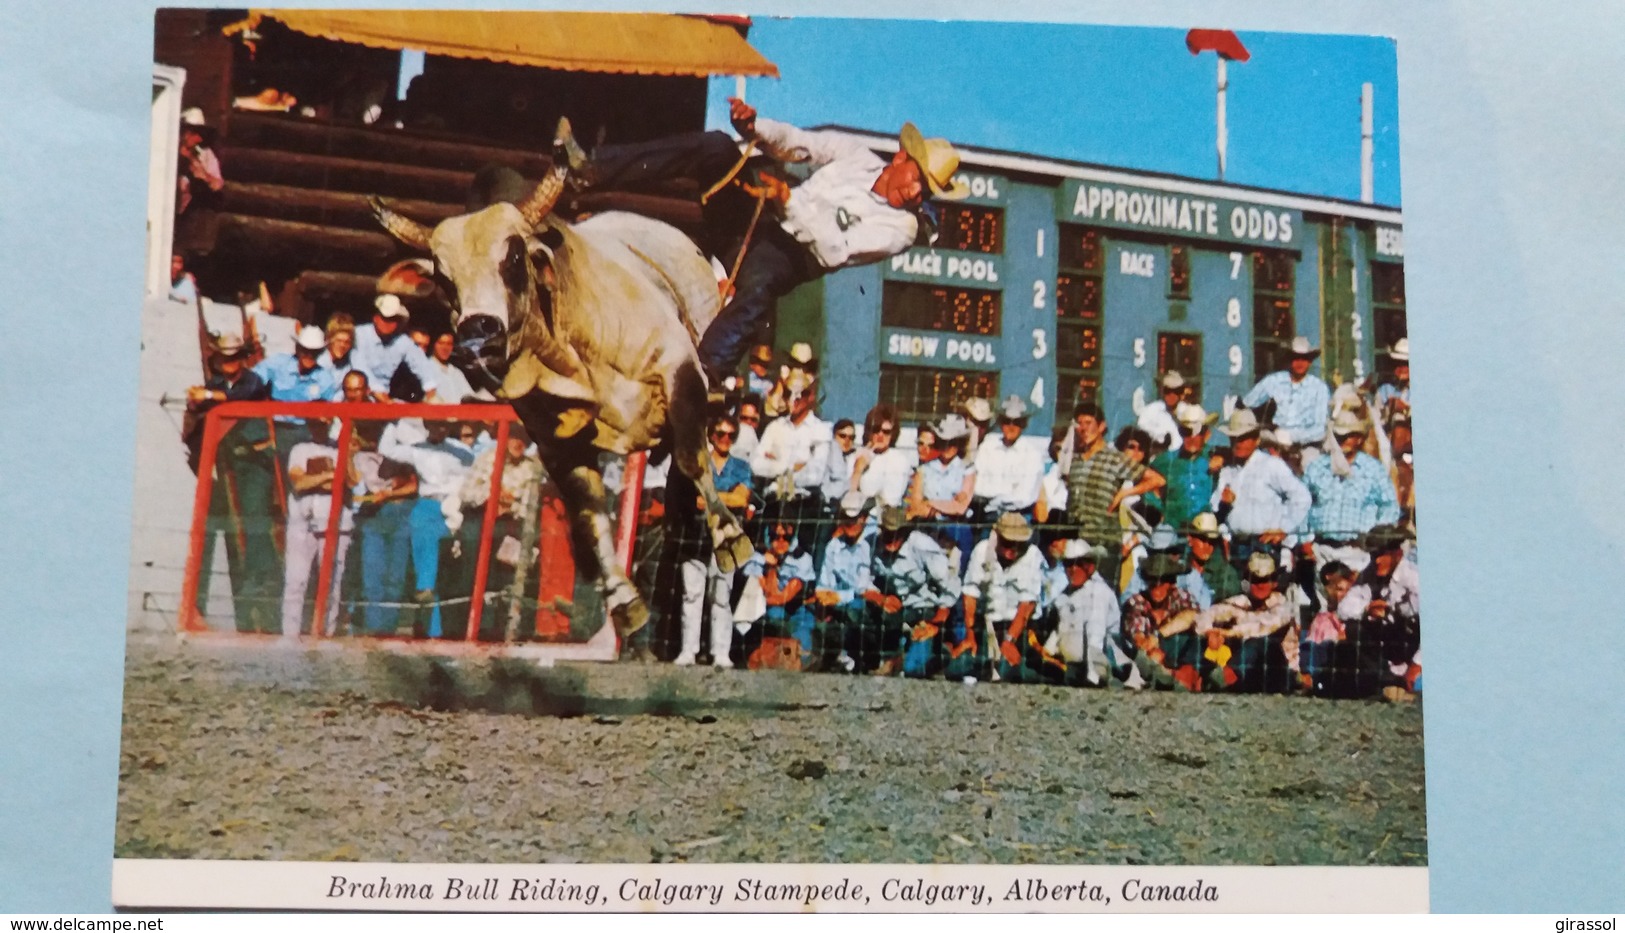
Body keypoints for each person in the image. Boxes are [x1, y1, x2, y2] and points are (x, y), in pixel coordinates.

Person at [556, 99, 969, 382]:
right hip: (760, 220)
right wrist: (756, 128)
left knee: (762, 282)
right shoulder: (856, 155)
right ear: (901, 159)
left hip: (791, 256)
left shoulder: (903, 230)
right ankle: (591, 170)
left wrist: (789, 203)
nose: (917, 194)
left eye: (927, 192)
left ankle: (705, 374)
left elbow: (831, 248)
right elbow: (802, 143)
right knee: (717, 147)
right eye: (918, 180)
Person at [185, 333, 277, 632]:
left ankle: (258, 581)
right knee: (211, 524)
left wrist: (207, 397)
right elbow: (200, 404)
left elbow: (236, 399)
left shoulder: (252, 381)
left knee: (253, 516)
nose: (230, 363)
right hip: (224, 465)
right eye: (225, 357)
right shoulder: (214, 385)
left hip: (251, 461)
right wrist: (195, 399)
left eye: (234, 357)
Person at [444, 422, 547, 641]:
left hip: (510, 522)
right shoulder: (488, 459)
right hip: (480, 516)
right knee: (470, 565)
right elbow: (467, 493)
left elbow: (531, 503)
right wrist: (492, 494)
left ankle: (496, 629)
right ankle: (463, 626)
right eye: (514, 437)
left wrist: (510, 504)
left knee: (506, 572)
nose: (518, 443)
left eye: (524, 439)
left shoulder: (531, 467)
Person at [668, 416, 753, 666]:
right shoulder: (698, 462)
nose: (725, 439)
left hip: (725, 538)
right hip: (695, 535)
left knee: (721, 595)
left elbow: (741, 499)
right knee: (691, 594)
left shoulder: (741, 466)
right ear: (711, 434)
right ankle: (688, 650)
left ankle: (720, 652)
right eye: (720, 433)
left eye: (731, 435)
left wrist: (712, 498)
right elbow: (692, 499)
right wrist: (726, 498)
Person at [381, 418, 475, 637]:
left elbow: (472, 475)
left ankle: (427, 588)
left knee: (439, 558)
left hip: (452, 505)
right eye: (434, 424)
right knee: (423, 550)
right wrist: (394, 421)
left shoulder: (461, 450)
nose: (438, 428)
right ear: (427, 425)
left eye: (442, 425)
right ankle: (433, 625)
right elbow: (386, 449)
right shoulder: (418, 448)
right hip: (427, 503)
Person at [1064, 402, 1165, 585]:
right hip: (1078, 539)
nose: (1083, 428)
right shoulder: (1076, 461)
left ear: (1102, 426)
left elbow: (1157, 480)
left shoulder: (1114, 458)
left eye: (1089, 422)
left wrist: (1123, 493)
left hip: (1105, 544)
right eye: (1080, 423)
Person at [860, 506, 960, 676]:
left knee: (914, 669)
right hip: (893, 609)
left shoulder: (921, 545)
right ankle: (878, 658)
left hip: (925, 610)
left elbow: (951, 585)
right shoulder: (871, 544)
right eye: (887, 533)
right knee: (859, 609)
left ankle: (939, 652)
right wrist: (880, 598)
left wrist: (935, 623)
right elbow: (862, 582)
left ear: (905, 532)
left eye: (896, 533)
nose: (891, 539)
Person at [277, 418, 354, 639]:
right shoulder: (300, 449)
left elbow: (350, 481)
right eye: (316, 423)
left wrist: (345, 455)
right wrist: (330, 475)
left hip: (335, 522)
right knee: (295, 579)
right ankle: (290, 633)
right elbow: (299, 482)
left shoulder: (341, 449)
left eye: (324, 423)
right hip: (303, 521)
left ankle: (325, 631)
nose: (319, 427)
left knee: (331, 580)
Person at [1302, 410, 1402, 575]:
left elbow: (1390, 505)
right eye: (1339, 436)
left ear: (1359, 438)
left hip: (1358, 552)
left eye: (1348, 435)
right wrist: (1304, 540)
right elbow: (1301, 504)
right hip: (1322, 550)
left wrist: (1375, 538)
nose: (1342, 441)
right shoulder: (1317, 467)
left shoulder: (1373, 469)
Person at [962, 512, 1057, 684]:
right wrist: (970, 635)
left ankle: (1040, 673)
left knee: (1009, 672)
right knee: (962, 666)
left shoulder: (1033, 555)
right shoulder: (982, 550)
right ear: (997, 536)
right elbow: (970, 594)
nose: (1013, 549)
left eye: (1018, 544)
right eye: (1008, 543)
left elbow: (1026, 606)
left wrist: (1009, 640)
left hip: (1021, 628)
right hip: (987, 625)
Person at [1211, 408, 1310, 572]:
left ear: (1256, 440)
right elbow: (1215, 506)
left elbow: (1302, 497)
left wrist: (1284, 528)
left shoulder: (1272, 465)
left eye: (1243, 438)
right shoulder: (1227, 470)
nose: (1238, 443)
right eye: (1234, 438)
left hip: (1264, 545)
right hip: (1237, 545)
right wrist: (1224, 505)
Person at [1186, 551, 1299, 693]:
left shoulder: (1283, 606)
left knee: (1258, 644)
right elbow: (1207, 615)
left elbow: (1261, 627)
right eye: (1255, 580)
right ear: (1248, 580)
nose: (1260, 585)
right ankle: (1187, 677)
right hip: (1245, 671)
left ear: (1274, 582)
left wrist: (1226, 633)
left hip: (1279, 671)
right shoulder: (1240, 602)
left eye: (1265, 580)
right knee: (1199, 639)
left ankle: (1220, 680)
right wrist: (1210, 632)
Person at [349, 420, 418, 636]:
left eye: (373, 431)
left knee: (395, 579)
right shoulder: (357, 457)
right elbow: (354, 484)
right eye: (364, 431)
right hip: (372, 517)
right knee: (373, 578)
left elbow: (413, 484)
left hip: (398, 514)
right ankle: (373, 629)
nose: (369, 437)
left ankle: (388, 630)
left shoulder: (397, 454)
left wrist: (389, 494)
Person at [749, 370, 831, 527]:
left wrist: (775, 464)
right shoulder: (774, 427)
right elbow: (756, 464)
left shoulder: (820, 430)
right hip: (773, 503)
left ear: (810, 396)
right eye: (788, 393)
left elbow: (815, 475)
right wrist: (789, 465)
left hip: (804, 506)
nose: (794, 400)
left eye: (801, 394)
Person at [741, 513, 819, 668]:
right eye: (775, 536)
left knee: (802, 645)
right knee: (773, 616)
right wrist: (770, 566)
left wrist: (767, 596)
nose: (781, 541)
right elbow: (763, 591)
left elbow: (784, 597)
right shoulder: (756, 558)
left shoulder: (803, 559)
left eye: (786, 537)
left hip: (797, 608)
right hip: (768, 611)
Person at [1242, 335, 1331, 469]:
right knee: (1255, 465)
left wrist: (1292, 437)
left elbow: (1320, 429)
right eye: (1295, 358)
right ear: (1289, 359)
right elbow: (1248, 402)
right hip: (1274, 440)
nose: (1300, 363)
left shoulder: (1319, 388)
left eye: (1304, 358)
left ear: (1310, 361)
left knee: (1311, 466)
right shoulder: (1275, 380)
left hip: (1306, 446)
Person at [1119, 552, 1203, 691]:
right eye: (1152, 581)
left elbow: (1193, 616)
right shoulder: (1136, 602)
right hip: (1153, 660)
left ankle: (1180, 678)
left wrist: (1158, 635)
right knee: (1152, 657)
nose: (1156, 586)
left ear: (1171, 582)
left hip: (1181, 655)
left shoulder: (1181, 596)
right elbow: (1140, 641)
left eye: (1162, 580)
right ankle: (1170, 679)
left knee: (1197, 642)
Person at [1047, 540, 1125, 687]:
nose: (1072, 569)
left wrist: (1092, 678)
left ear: (1090, 566)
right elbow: (1060, 629)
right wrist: (1046, 653)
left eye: (1078, 564)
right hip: (1067, 667)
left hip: (1096, 669)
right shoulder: (1065, 595)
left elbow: (1095, 635)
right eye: (1068, 564)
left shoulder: (1099, 593)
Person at [812, 491, 874, 673]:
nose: (849, 524)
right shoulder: (834, 545)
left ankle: (864, 658)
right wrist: (824, 595)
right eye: (845, 518)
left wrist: (837, 597)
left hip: (863, 603)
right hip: (839, 602)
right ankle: (835, 656)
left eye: (854, 519)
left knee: (855, 609)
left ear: (864, 517)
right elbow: (825, 581)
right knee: (818, 616)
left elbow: (864, 587)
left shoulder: (870, 542)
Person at [253, 325, 339, 452]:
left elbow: (328, 412)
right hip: (276, 426)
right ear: (298, 348)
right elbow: (252, 380)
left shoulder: (325, 378)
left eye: (314, 352)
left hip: (306, 431)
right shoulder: (278, 363)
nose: (309, 355)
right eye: (305, 350)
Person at [908, 414, 977, 569]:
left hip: (956, 529)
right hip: (929, 527)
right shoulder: (925, 469)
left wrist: (931, 502)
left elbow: (960, 508)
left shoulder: (967, 469)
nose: (948, 446)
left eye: (953, 442)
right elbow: (916, 506)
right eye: (944, 441)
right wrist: (947, 504)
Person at [971, 395, 1045, 522]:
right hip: (986, 516)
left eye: (1017, 422)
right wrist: (1009, 490)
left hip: (1018, 517)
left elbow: (1025, 496)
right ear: (1000, 422)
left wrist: (994, 497)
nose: (1011, 426)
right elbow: (977, 487)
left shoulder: (1032, 454)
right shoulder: (987, 448)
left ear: (1024, 424)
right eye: (1006, 421)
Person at [354, 295, 439, 402]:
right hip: (358, 396)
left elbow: (422, 366)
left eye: (393, 319)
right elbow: (360, 368)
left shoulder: (402, 341)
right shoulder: (359, 335)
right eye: (385, 318)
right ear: (376, 318)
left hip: (385, 398)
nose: (388, 323)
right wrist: (384, 399)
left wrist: (431, 395)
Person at [1152, 402, 1222, 531]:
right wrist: (1159, 512)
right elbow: (1146, 485)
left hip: (1204, 534)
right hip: (1173, 531)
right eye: (1186, 431)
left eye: (1198, 431)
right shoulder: (1165, 461)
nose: (1192, 437)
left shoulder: (1216, 457)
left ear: (1206, 434)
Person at [850, 404, 912, 512]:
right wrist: (858, 469)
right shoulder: (857, 456)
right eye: (876, 429)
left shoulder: (899, 460)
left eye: (886, 431)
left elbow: (891, 499)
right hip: (858, 518)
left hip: (886, 520)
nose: (880, 435)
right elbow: (848, 497)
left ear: (893, 433)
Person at [1178, 512, 1244, 610]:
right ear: (1190, 539)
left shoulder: (1226, 572)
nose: (1207, 546)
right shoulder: (1179, 567)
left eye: (1212, 541)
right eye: (1203, 539)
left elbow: (1232, 596)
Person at [176, 108, 224, 215]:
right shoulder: (169, 153)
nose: (199, 138)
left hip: (194, 211)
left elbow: (217, 185)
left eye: (201, 134)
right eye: (194, 133)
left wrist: (202, 174)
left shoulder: (205, 154)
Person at [1136, 371, 1187, 453]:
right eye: (1167, 391)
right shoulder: (1152, 410)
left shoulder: (1187, 411)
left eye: (1176, 391)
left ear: (1181, 394)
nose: (1171, 395)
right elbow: (1142, 428)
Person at [428, 330, 478, 406]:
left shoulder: (456, 373)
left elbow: (469, 398)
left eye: (449, 344)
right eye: (441, 343)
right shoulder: (426, 369)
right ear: (433, 344)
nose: (445, 348)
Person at [820, 418, 859, 506]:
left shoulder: (851, 458)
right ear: (834, 436)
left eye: (851, 437)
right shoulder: (826, 456)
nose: (847, 441)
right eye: (842, 436)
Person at [1375, 338, 1411, 427]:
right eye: (1397, 364)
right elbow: (1376, 416)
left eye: (1405, 364)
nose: (1401, 369)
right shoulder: (1385, 389)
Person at [319, 313, 358, 382]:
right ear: (329, 340)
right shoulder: (321, 362)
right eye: (339, 341)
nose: (342, 345)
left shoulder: (347, 362)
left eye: (347, 342)